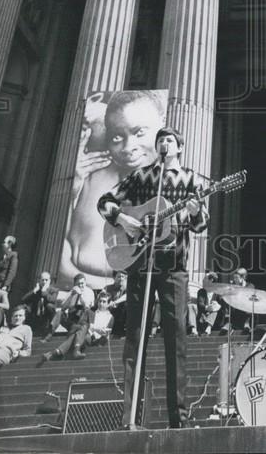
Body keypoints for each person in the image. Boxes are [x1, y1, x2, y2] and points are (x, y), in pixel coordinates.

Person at [97, 125, 207, 429]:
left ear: (180, 148)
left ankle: (178, 421)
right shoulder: (141, 176)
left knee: (176, 340)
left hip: (174, 266)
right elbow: (105, 200)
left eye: (170, 139)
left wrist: (196, 212)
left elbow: (202, 223)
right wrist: (122, 218)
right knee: (135, 339)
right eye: (160, 139)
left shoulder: (192, 179)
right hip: (140, 265)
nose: (164, 143)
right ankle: (129, 417)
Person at [63, 89, 165, 285]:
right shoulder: (92, 175)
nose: (128, 148)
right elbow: (61, 263)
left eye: (139, 133)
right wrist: (73, 185)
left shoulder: (173, 184)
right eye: (117, 137)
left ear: (162, 123)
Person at [40, 292, 115, 364]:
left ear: (108, 303)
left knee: (81, 331)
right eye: (100, 301)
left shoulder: (110, 317)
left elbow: (107, 332)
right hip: (86, 336)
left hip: (98, 340)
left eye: (104, 302)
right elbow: (83, 323)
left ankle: (56, 352)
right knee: (82, 328)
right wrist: (96, 328)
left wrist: (95, 328)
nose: (101, 304)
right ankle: (74, 351)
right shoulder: (91, 312)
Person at [48, 273, 94, 337]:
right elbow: (63, 307)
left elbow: (87, 307)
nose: (80, 285)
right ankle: (50, 333)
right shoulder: (72, 292)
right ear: (75, 285)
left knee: (84, 311)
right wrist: (71, 296)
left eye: (82, 283)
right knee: (59, 313)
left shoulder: (89, 292)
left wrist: (80, 295)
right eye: (78, 284)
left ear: (85, 282)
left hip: (83, 321)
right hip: (71, 320)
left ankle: (74, 330)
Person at [21, 271, 59, 336]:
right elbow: (23, 299)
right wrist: (34, 291)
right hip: (36, 316)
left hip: (48, 316)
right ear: (39, 281)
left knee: (49, 306)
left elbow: (52, 300)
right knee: (24, 307)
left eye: (46, 280)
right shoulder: (37, 290)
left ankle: (50, 329)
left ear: (49, 281)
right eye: (42, 280)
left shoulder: (54, 290)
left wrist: (44, 291)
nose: (44, 282)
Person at [103, 271, 128, 336]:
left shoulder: (127, 288)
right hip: (110, 311)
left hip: (122, 312)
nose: (121, 279)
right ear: (114, 278)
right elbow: (103, 297)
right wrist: (109, 302)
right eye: (119, 277)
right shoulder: (108, 288)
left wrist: (115, 302)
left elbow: (127, 296)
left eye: (123, 277)